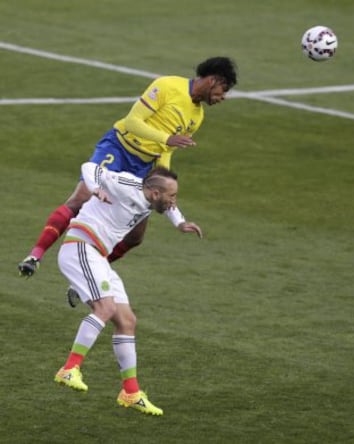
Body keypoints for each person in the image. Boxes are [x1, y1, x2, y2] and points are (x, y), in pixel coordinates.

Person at [18, 56, 237, 277]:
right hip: (119, 148)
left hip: (144, 164)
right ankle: (34, 256)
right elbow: (133, 121)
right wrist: (167, 138)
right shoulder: (167, 85)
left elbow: (165, 152)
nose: (223, 97)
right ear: (213, 80)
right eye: (223, 89)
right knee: (81, 198)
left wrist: (165, 186)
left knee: (136, 236)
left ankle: (96, 270)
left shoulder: (197, 117)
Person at [55, 162, 193, 416]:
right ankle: (69, 369)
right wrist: (96, 189)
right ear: (154, 194)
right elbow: (89, 166)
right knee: (105, 308)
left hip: (98, 255)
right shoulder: (127, 184)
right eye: (172, 196)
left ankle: (130, 392)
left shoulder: (152, 199)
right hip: (80, 246)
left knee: (127, 320)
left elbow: (169, 208)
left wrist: (180, 223)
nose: (174, 201)